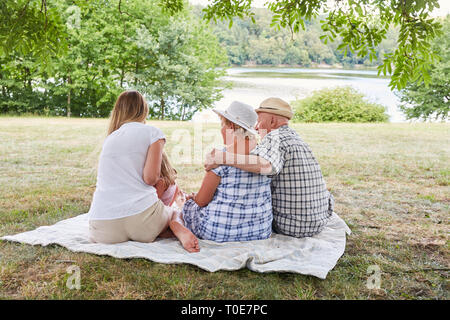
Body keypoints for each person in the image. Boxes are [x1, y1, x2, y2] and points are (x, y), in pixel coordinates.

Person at [205, 97, 334, 238]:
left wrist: (223, 157)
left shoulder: (274, 138)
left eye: (259, 121)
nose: (255, 127)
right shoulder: (293, 137)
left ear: (272, 121)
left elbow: (266, 165)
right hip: (319, 220)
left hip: (292, 226)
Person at [88, 90, 199, 253]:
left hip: (103, 227)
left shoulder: (110, 138)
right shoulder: (153, 133)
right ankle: (175, 226)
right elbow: (150, 178)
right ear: (144, 110)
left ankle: (164, 229)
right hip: (143, 223)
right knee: (175, 212)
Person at [171, 101, 273, 242]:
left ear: (231, 126)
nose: (221, 129)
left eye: (222, 124)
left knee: (189, 207)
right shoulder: (266, 156)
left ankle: (181, 206)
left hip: (219, 232)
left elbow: (202, 201)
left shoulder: (220, 158)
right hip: (259, 231)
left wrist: (193, 199)